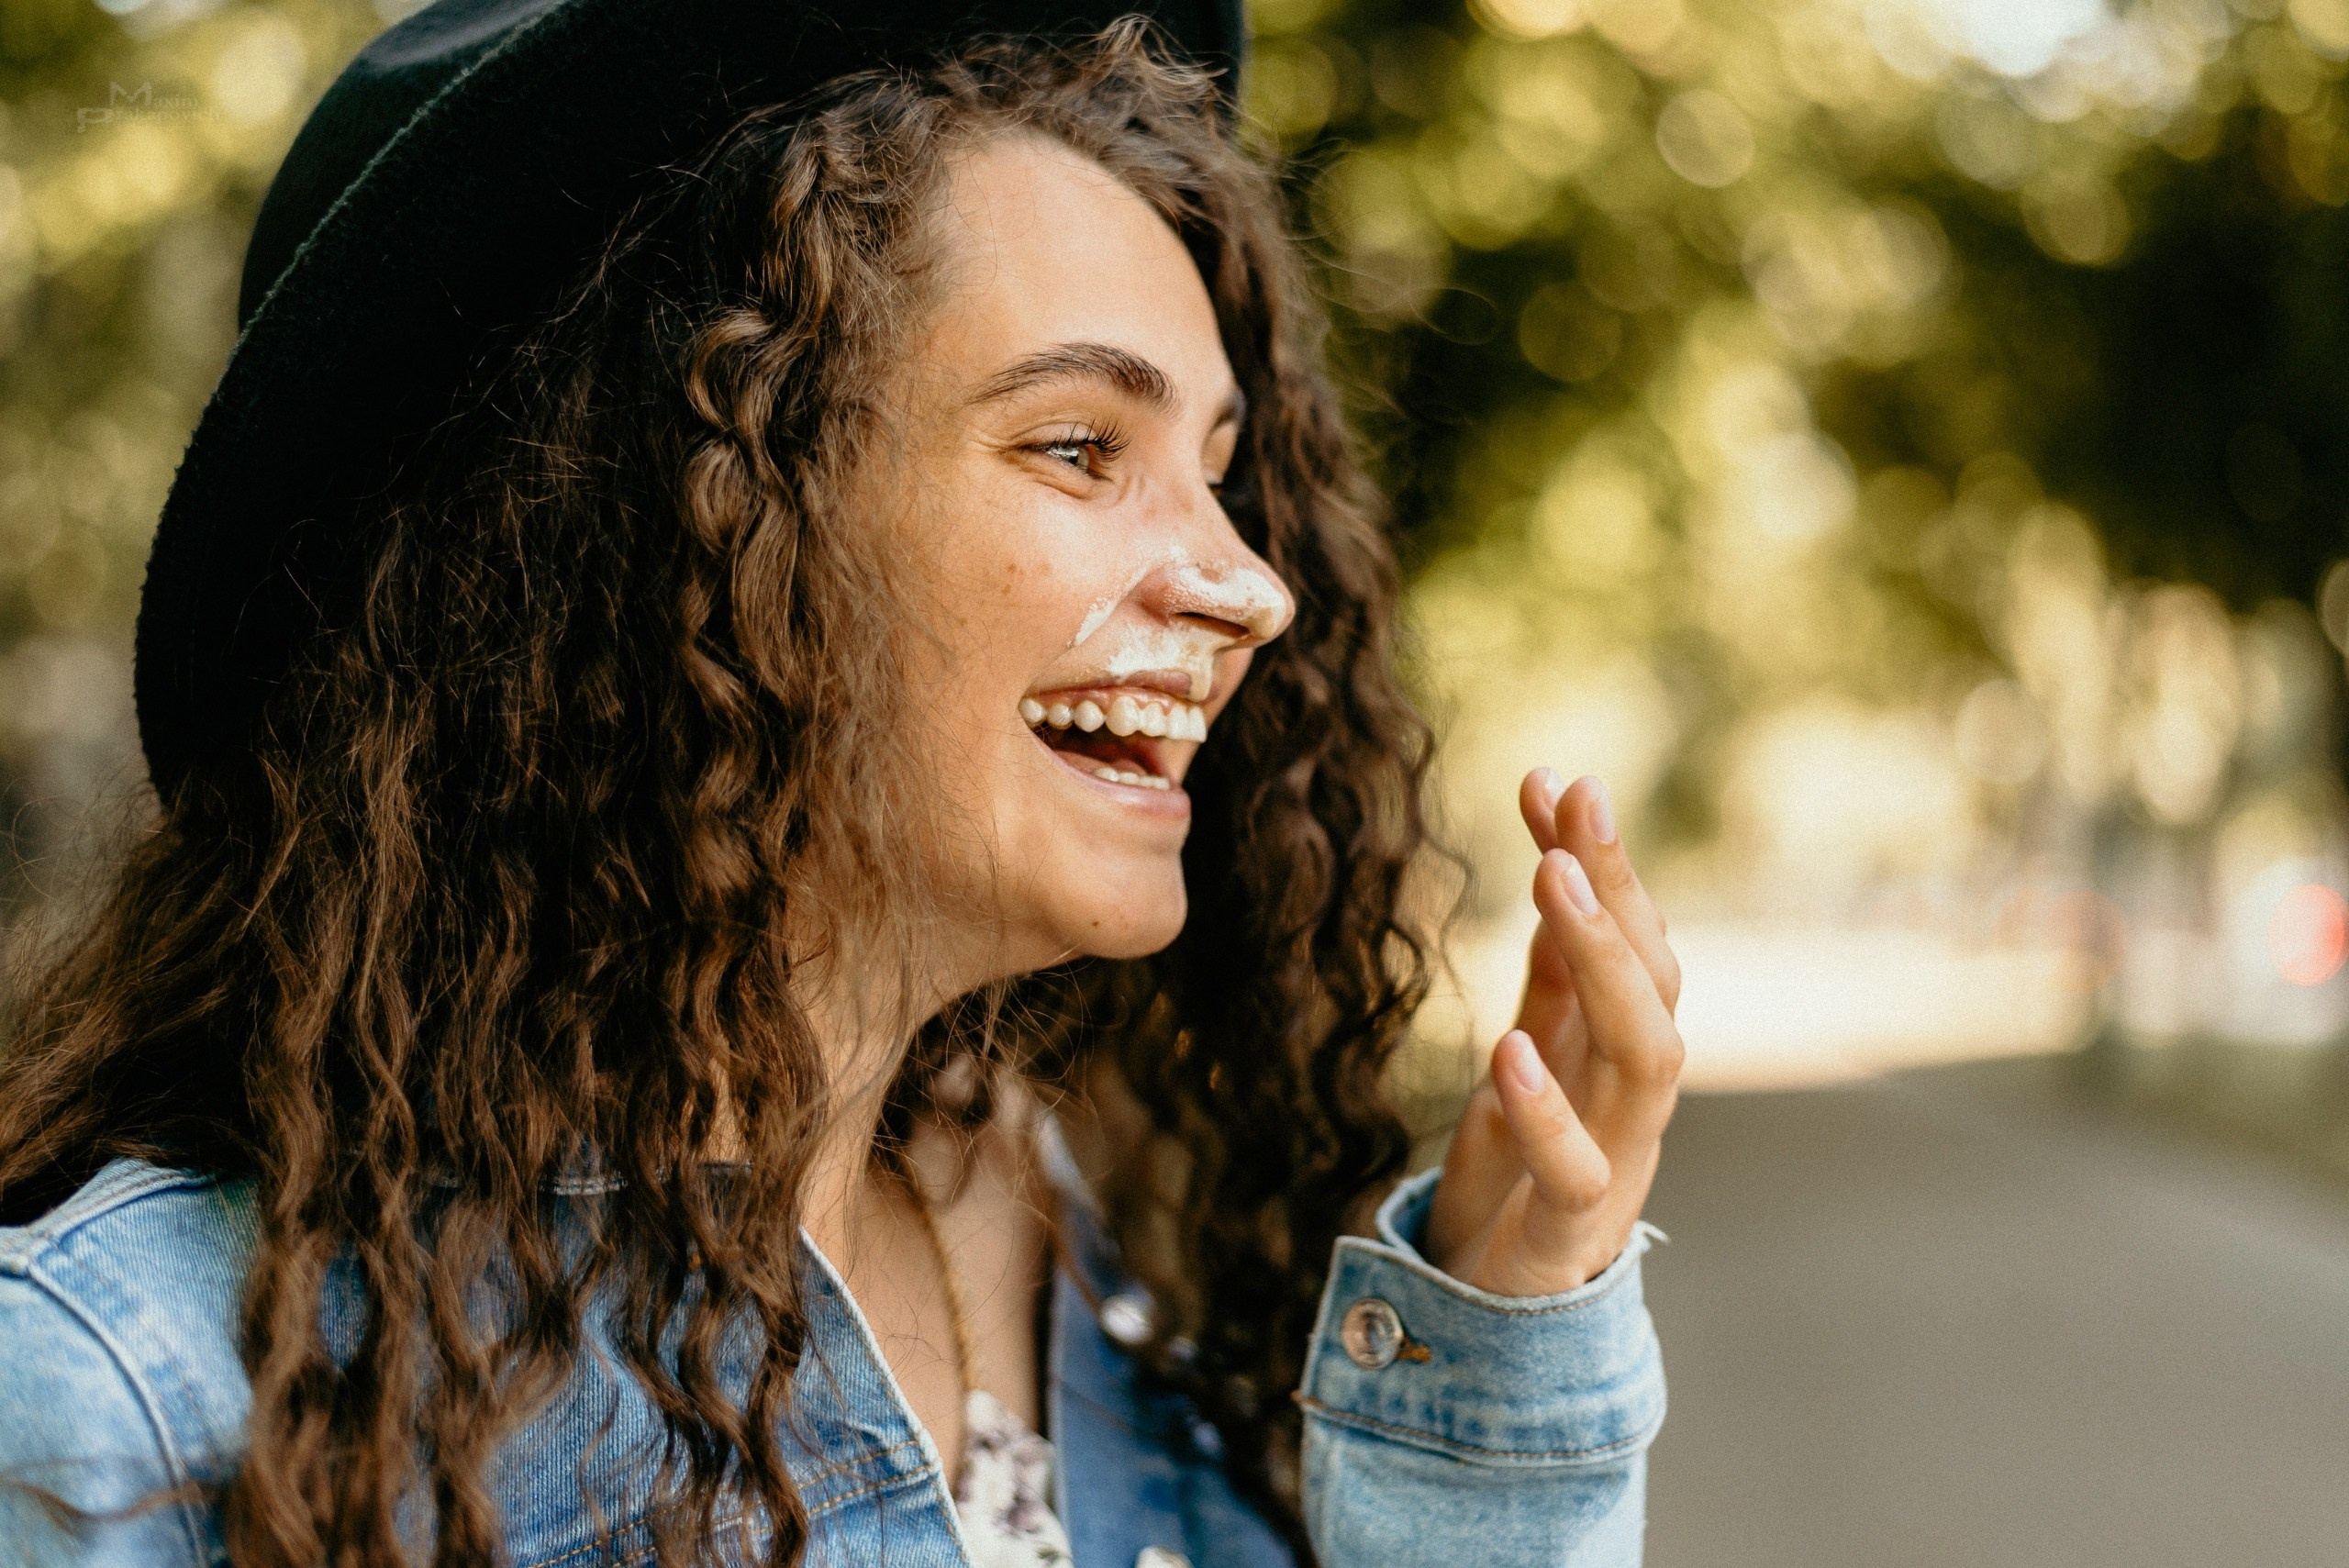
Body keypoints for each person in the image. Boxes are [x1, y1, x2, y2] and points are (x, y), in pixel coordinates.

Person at [0, 4, 1684, 1565]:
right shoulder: (113, 1400)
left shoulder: (1069, 1243)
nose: (1253, 589)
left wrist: (1495, 1329)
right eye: (1083, 447)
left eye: (1222, 473)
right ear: (681, 523)